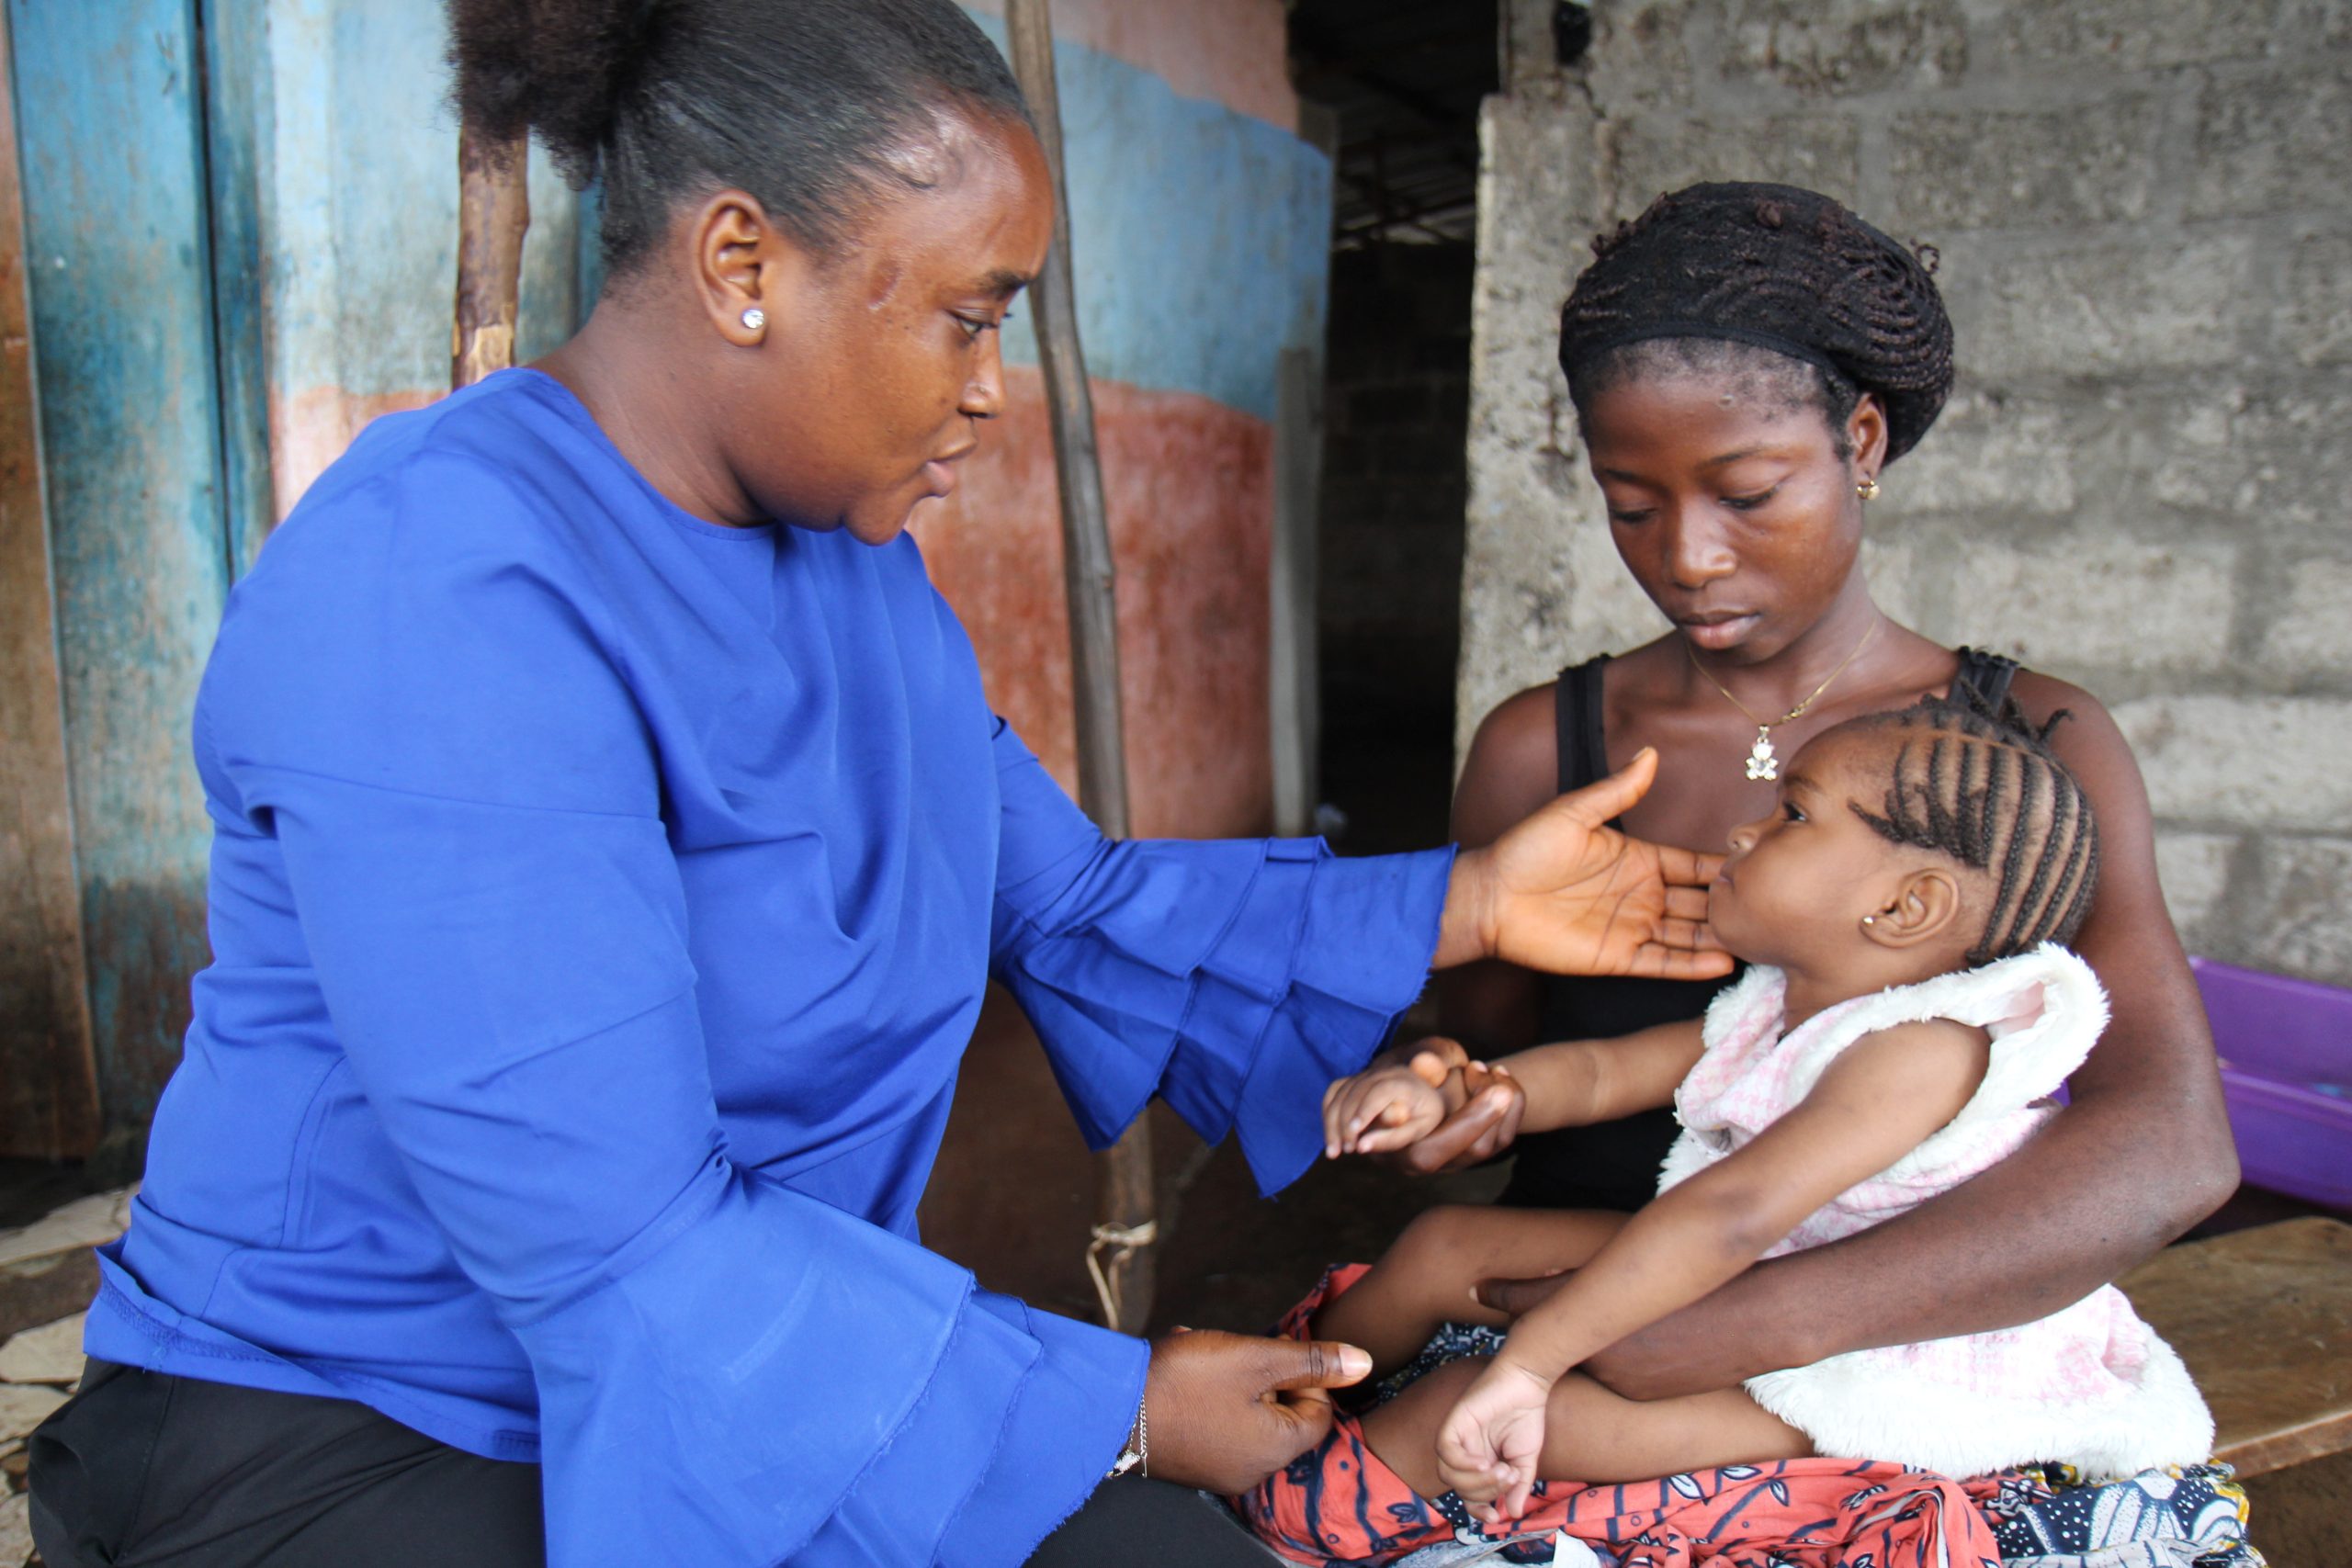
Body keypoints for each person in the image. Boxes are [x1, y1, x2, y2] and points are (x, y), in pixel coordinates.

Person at [24, 6, 1727, 1567]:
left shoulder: (853, 577)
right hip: (357, 1419)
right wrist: (1118, 1405)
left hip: (747, 1354)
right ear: (743, 261)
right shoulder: (444, 588)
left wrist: (1474, 897)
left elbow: (1069, 899)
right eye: (968, 316)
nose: (990, 389)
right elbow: (624, 1243)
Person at [1413, 182, 2234, 1404]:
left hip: (1875, 1343)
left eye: (1747, 493)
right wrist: (1442, 1083)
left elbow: (2168, 1143)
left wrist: (1742, 1323)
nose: (1687, 557)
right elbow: (1475, 1040)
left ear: (1859, 442)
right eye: (1630, 505)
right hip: (1550, 1304)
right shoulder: (1546, 745)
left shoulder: (2029, 748)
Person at [1238, 701, 2213, 1564]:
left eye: (1792, 814)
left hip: (1863, 1365)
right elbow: (1600, 1071)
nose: (1746, 833)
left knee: (1478, 1400)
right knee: (1449, 1245)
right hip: (1755, 1269)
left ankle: (1295, 1527)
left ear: (1905, 906)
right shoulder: (1778, 1004)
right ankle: (1273, 1402)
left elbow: (1736, 1214)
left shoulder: (1920, 1050)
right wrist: (1469, 1094)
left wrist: (1532, 1364)